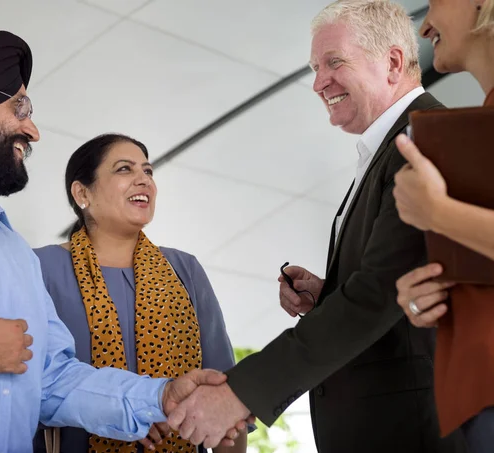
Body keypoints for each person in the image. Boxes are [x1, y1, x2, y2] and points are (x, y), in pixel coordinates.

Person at [0, 31, 243, 453]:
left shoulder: (14, 251)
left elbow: (54, 379)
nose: (33, 130)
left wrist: (159, 397)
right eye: (18, 108)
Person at [166, 2, 469, 452]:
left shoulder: (426, 139)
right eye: (314, 67)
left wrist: (241, 392)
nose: (317, 82)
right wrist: (329, 293)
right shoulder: (391, 146)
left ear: (392, 62)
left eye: (334, 62)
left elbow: (377, 296)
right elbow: (395, 287)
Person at [32, 133, 247, 453]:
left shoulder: (183, 268)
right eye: (124, 169)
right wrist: (126, 414)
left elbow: (225, 390)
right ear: (82, 192)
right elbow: (26, 386)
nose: (143, 180)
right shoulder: (41, 267)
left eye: (147, 171)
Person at [393, 0, 494, 451]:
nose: (426, 23)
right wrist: (433, 294)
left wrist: (439, 213)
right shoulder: (480, 124)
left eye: (436, 2)